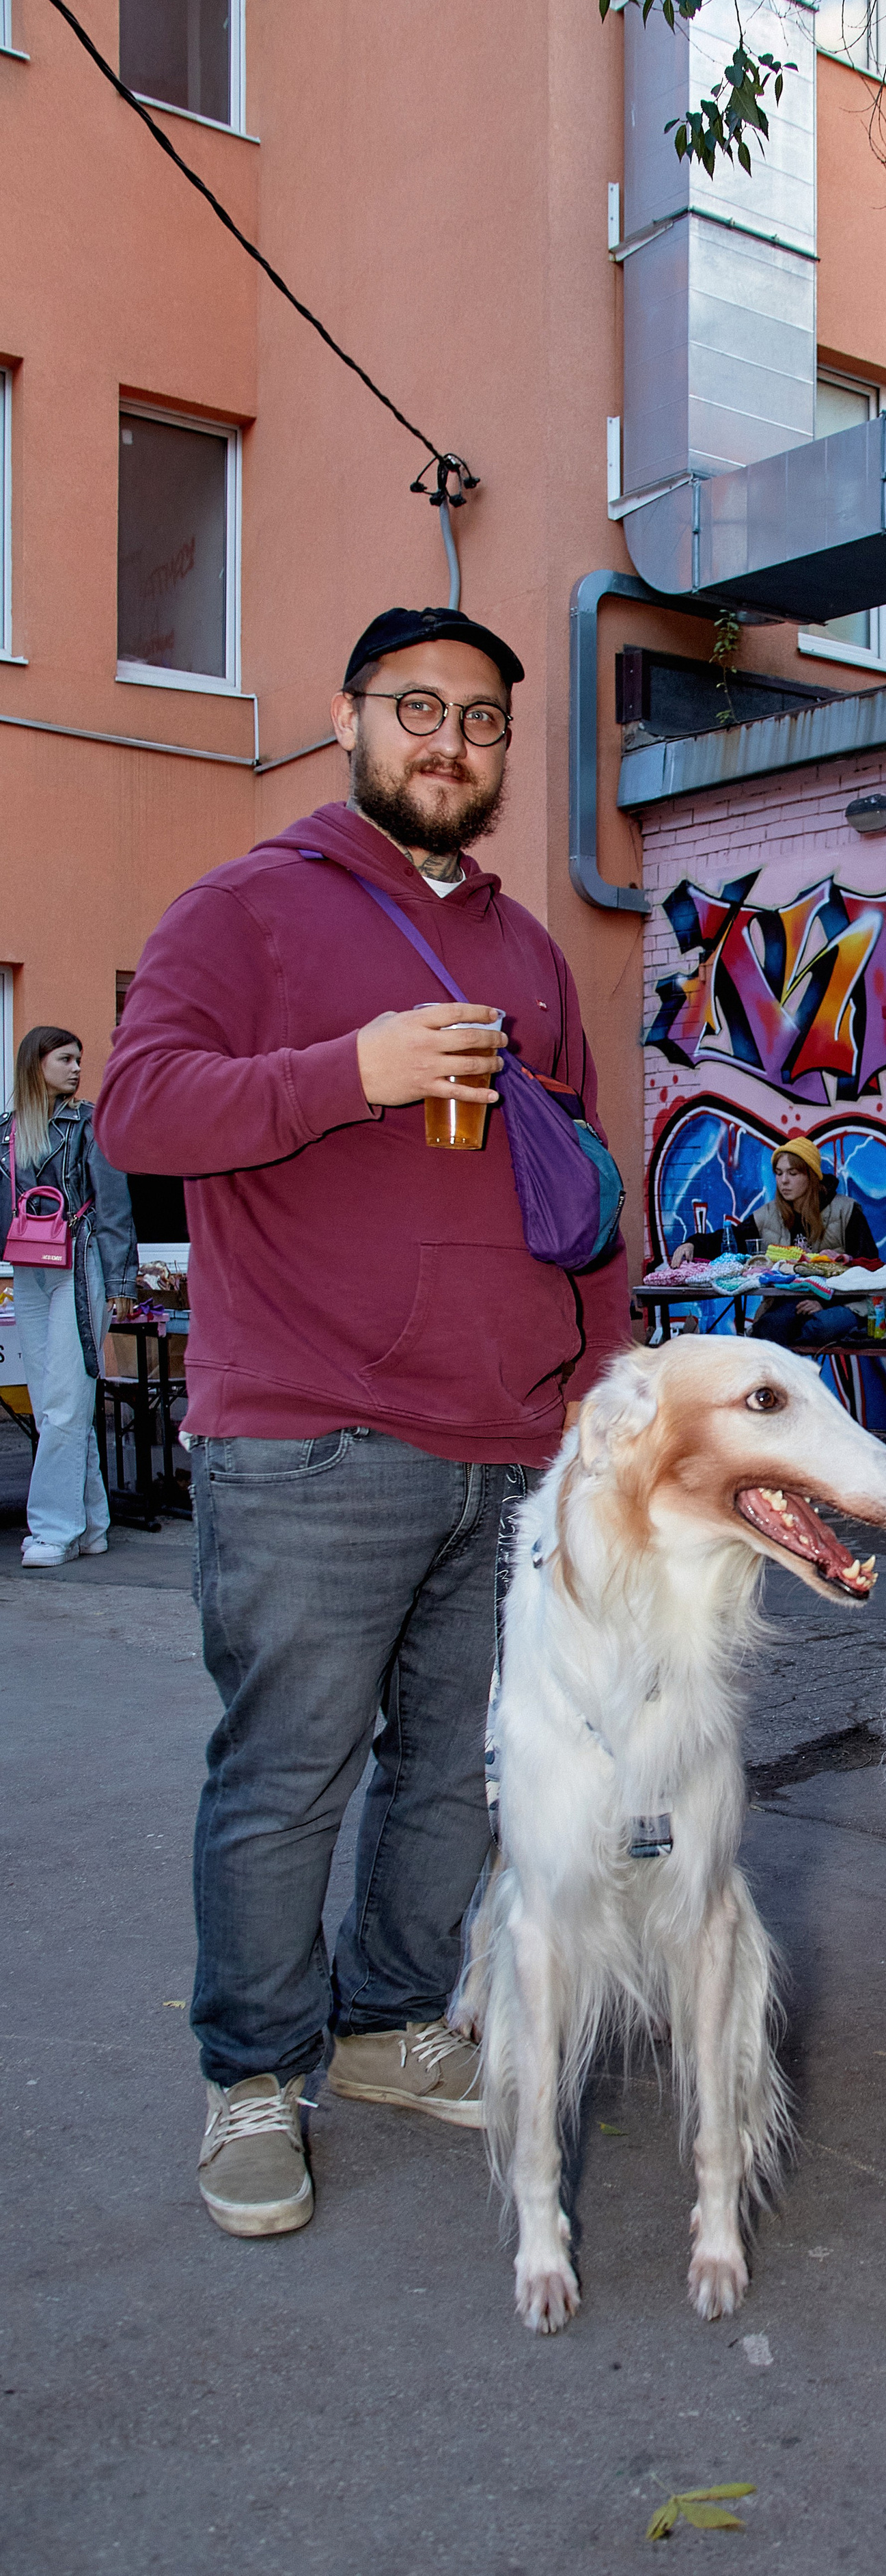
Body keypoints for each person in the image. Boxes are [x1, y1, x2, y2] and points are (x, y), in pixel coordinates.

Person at [97, 604, 612, 2240]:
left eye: (480, 717)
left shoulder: (529, 953)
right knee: (286, 1776)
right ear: (348, 718)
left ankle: (389, 2024)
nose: (448, 740)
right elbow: (137, 1111)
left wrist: (592, 1405)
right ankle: (254, 2072)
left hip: (508, 1444)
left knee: (452, 1774)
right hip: (311, 1434)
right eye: (416, 706)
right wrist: (353, 1068)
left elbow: (586, 1192)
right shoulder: (245, 907)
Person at [3, 1026, 137, 1566]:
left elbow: (114, 1206)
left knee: (62, 1406)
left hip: (81, 1267)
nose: (78, 1068)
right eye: (66, 1059)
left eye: (79, 1059)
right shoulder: (7, 1133)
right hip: (28, 1271)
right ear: (36, 1064)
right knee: (56, 1409)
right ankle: (92, 1526)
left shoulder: (88, 1124)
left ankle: (54, 1531)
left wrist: (122, 1283)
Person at [673, 1137, 877, 1348]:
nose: (784, 1181)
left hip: (843, 1300)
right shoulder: (769, 1215)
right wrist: (693, 1244)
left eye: (793, 1173)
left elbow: (867, 1267)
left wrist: (825, 1302)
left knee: (818, 1327)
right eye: (779, 1174)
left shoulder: (846, 1211)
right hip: (789, 1301)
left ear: (811, 1175)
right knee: (771, 1327)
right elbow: (732, 1238)